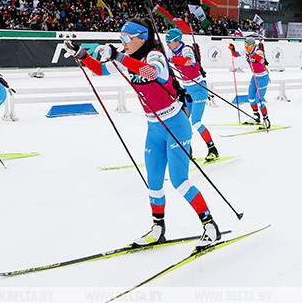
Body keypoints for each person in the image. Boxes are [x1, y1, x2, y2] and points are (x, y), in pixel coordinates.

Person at [67, 18, 220, 249]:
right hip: (154, 128)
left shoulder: (154, 55)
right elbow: (99, 69)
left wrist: (118, 55)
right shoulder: (128, 60)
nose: (123, 42)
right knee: (154, 182)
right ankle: (158, 228)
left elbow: (150, 73)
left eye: (127, 38)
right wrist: (82, 54)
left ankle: (210, 226)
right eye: (121, 39)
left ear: (142, 37)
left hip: (176, 124)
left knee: (180, 181)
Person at [165, 28, 219, 161]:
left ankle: (213, 149)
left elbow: (189, 61)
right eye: (166, 41)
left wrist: (171, 59)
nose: (167, 44)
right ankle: (188, 149)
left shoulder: (186, 49)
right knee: (182, 121)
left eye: (169, 41)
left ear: (177, 40)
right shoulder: (170, 50)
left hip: (199, 89)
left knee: (196, 122)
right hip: (187, 90)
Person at [229, 36, 270, 128]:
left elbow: (261, 60)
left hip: (263, 78)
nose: (246, 47)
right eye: (245, 45)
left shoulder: (258, 51)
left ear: (252, 45)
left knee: (259, 100)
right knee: (251, 98)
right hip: (255, 77)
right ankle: (256, 117)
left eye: (247, 45)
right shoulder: (246, 50)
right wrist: (232, 50)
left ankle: (266, 119)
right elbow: (236, 55)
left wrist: (252, 52)